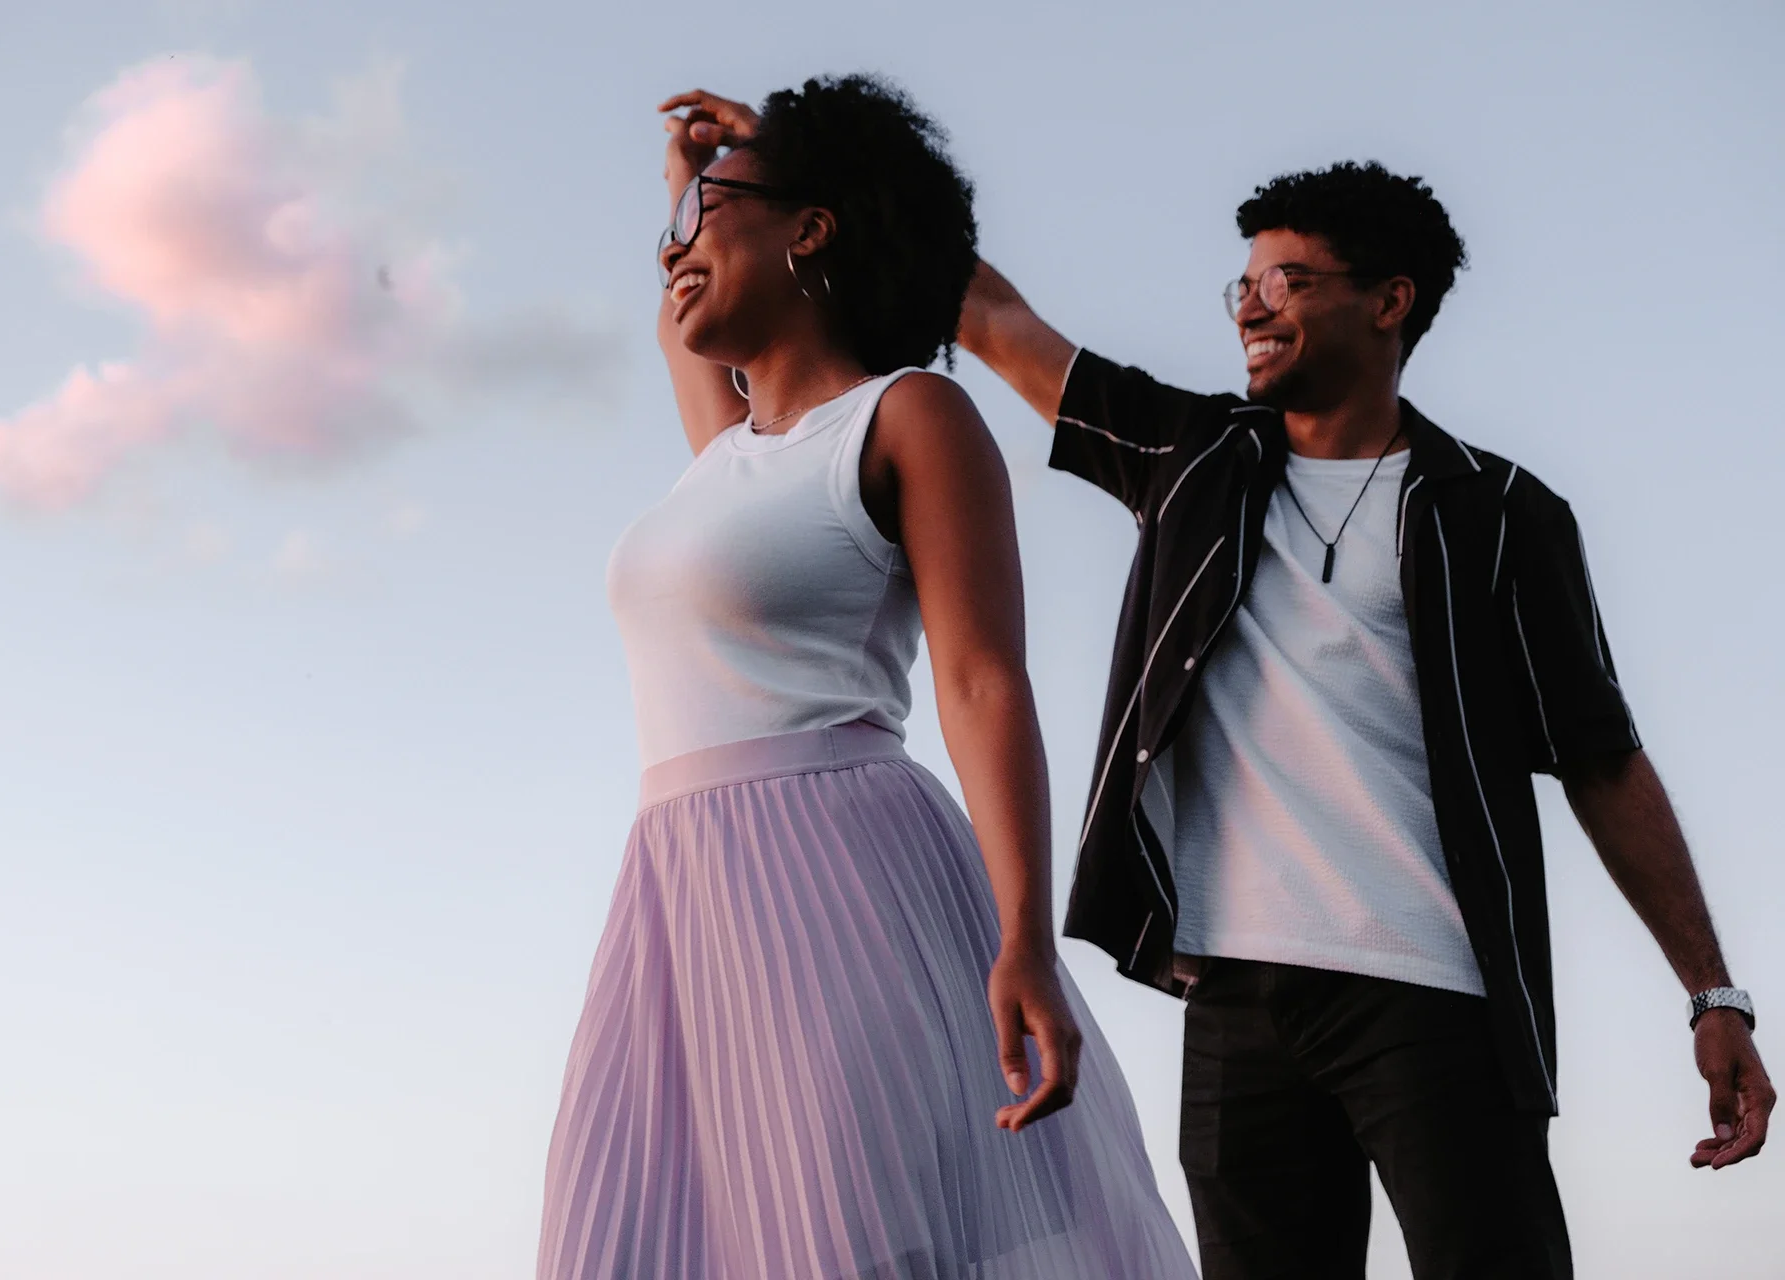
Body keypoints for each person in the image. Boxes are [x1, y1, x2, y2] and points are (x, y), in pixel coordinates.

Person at [954, 160, 1774, 1278]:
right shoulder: (1195, 459)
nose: (1250, 302)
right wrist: (830, 165)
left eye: (1286, 280)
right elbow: (996, 317)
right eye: (1241, 282)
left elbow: (1602, 760)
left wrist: (1711, 993)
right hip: (1236, 995)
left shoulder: (1499, 512)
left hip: (1437, 994)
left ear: (1389, 301)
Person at [535, 76, 1197, 1280]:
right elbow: (680, 291)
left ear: (812, 228)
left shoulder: (908, 416)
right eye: (674, 232)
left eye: (710, 218)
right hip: (678, 897)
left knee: (837, 1230)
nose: (678, 250)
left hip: (834, 875)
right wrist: (691, 181)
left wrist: (1023, 941)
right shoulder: (725, 460)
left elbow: (985, 683)